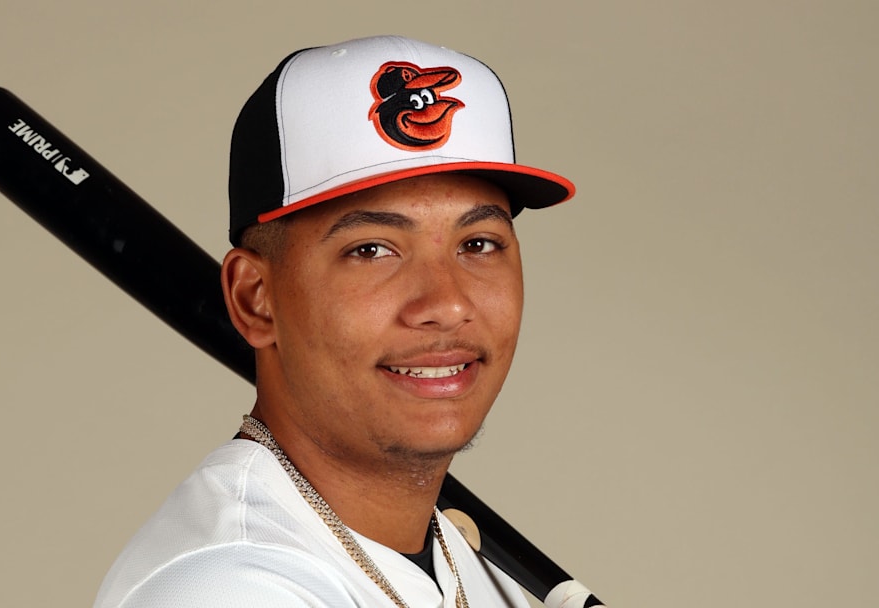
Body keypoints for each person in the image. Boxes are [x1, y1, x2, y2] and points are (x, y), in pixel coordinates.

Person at [94, 35, 575, 608]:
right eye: (372, 249)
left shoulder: (476, 569)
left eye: (478, 242)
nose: (446, 303)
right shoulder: (224, 588)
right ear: (255, 299)